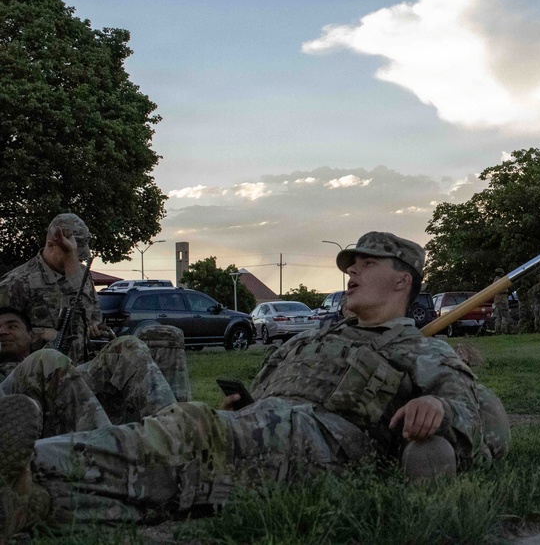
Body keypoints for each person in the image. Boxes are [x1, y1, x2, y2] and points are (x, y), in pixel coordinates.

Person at [0, 231, 510, 536]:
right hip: (259, 430)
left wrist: (437, 409)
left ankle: (32, 465)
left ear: (402, 281)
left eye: (367, 264)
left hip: (316, 445)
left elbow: (466, 407)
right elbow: (263, 401)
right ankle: (30, 494)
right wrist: (245, 400)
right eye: (350, 265)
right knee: (160, 442)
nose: (352, 271)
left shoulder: (418, 348)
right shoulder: (311, 340)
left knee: (188, 431)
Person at [0, 307, 181, 437]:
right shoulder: (40, 360)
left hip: (66, 401)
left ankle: (176, 431)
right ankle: (114, 454)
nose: (3, 332)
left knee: (126, 346)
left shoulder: (50, 353)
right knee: (46, 359)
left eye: (12, 326)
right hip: (12, 405)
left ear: (32, 336)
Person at [0, 214, 106, 363]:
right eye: (70, 254)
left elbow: (93, 315)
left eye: (79, 258)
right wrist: (41, 334)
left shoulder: (83, 276)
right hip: (39, 372)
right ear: (51, 246)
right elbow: (5, 337)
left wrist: (94, 327)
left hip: (84, 365)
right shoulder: (16, 282)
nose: (76, 262)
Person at [491, 268, 513, 334]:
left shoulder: (495, 280)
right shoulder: (500, 280)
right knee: (505, 316)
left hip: (497, 299)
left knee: (498, 317)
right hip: (502, 299)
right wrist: (507, 290)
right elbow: (501, 289)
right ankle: (504, 331)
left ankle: (497, 330)